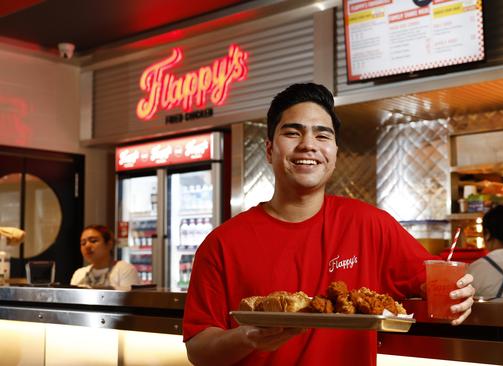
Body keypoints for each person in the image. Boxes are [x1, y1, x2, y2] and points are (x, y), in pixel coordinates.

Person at [182, 83, 475, 366]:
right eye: (293, 132)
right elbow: (199, 349)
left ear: (334, 154)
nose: (308, 145)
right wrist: (247, 337)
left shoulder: (370, 225)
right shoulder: (222, 243)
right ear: (270, 150)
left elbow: (432, 281)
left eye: (322, 136)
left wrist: (459, 294)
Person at [70, 224, 140, 291]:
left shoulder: (125, 270)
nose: (87, 246)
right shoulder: (79, 274)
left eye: (93, 241)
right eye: (83, 243)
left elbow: (128, 301)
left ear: (109, 244)